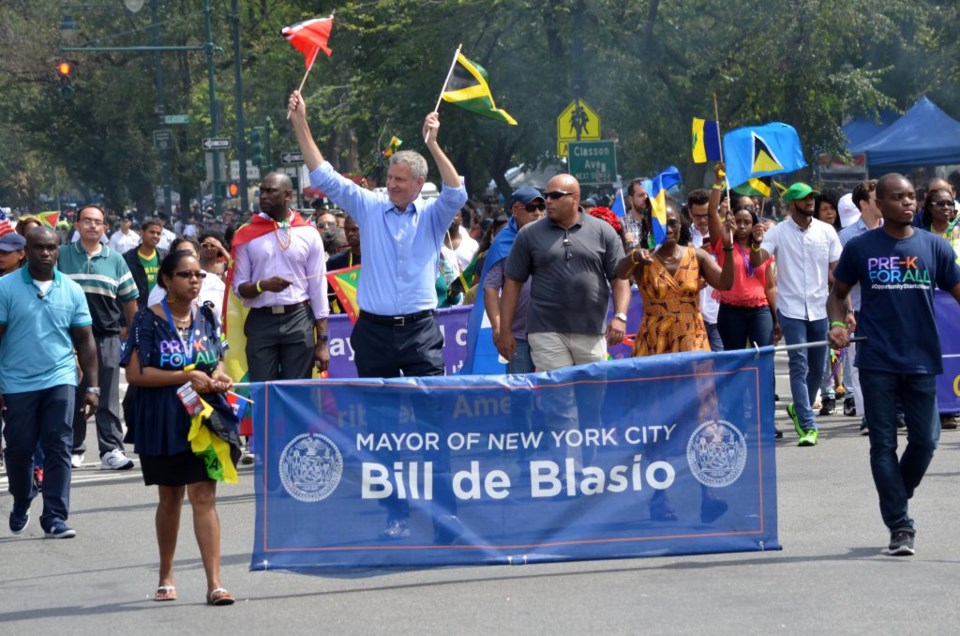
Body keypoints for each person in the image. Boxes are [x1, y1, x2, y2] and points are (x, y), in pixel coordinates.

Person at [290, 90, 466, 542]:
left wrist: (434, 143)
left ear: (417, 183)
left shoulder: (432, 214)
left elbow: (457, 189)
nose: (391, 184)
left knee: (434, 422)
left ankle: (445, 514)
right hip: (374, 332)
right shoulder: (368, 206)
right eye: (390, 177)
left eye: (401, 179)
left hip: (422, 332)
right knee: (381, 428)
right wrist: (300, 122)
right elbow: (322, 174)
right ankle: (397, 512)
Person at [827, 173, 960, 557]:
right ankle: (900, 525)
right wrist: (838, 323)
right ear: (879, 206)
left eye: (910, 197)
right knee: (883, 445)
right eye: (897, 198)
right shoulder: (861, 248)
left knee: (927, 439)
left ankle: (896, 492)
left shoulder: (934, 246)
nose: (907, 203)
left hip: (921, 357)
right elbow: (838, 295)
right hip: (877, 359)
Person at [122, 250, 238, 603]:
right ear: (166, 280)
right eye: (186, 275)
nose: (195, 281)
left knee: (204, 495)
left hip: (203, 417)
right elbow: (136, 373)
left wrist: (218, 376)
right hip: (163, 416)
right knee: (170, 495)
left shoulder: (206, 317)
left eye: (199, 275)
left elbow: (215, 359)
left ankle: (215, 583)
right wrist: (186, 375)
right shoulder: (147, 320)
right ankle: (166, 574)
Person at [0, 227, 98, 538]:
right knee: (19, 449)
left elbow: (85, 340)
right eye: (39, 247)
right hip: (15, 383)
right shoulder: (5, 288)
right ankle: (23, 496)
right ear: (25, 251)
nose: (46, 253)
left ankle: (55, 516)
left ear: (58, 250)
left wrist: (93, 387)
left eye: (51, 247)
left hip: (60, 378)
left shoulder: (71, 289)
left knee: (59, 445)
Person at [498, 174, 629, 368]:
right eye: (546, 195)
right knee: (557, 395)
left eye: (555, 196)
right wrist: (505, 329)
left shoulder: (603, 231)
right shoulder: (528, 234)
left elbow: (619, 278)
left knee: (592, 395)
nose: (548, 201)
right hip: (545, 331)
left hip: (591, 330)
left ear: (575, 197)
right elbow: (512, 282)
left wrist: (620, 317)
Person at [750, 183, 842, 446]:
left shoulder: (826, 231)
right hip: (790, 310)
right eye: (803, 198)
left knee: (818, 368)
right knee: (798, 365)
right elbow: (757, 261)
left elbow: (839, 270)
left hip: (820, 307)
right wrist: (756, 243)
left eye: (811, 197)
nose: (810, 201)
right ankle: (807, 423)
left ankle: (798, 409)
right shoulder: (778, 232)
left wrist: (845, 302)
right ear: (791, 203)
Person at [58, 204, 139, 469]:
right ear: (77, 225)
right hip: (69, 337)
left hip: (107, 335)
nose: (93, 225)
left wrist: (133, 332)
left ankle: (111, 449)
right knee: (74, 391)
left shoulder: (115, 259)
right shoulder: (62, 255)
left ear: (105, 228)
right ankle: (73, 448)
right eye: (87, 221)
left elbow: (129, 300)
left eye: (98, 222)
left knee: (108, 395)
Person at [231, 173, 330, 382]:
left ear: (288, 195)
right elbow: (239, 287)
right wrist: (262, 286)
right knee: (263, 390)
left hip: (298, 318)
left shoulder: (308, 233)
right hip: (261, 320)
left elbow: (318, 288)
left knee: (296, 391)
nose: (263, 196)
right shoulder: (246, 234)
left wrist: (322, 341)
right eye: (262, 191)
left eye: (270, 191)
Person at [616, 201, 735, 355]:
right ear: (650, 227)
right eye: (661, 225)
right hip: (654, 342)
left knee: (695, 380)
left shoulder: (696, 256)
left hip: (692, 340)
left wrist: (728, 246)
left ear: (681, 224)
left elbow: (725, 283)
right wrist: (634, 256)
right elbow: (619, 273)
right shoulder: (643, 258)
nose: (669, 230)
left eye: (673, 223)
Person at [705, 168, 779, 350]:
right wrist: (717, 182)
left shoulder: (763, 248)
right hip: (731, 311)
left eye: (747, 222)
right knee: (734, 360)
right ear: (731, 222)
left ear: (755, 225)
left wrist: (777, 318)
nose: (743, 226)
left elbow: (770, 286)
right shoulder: (724, 242)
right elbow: (712, 214)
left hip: (760, 311)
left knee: (763, 357)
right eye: (738, 221)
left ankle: (765, 381)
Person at [482, 187, 545, 374]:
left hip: (551, 331)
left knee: (554, 392)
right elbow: (490, 288)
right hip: (518, 334)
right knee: (521, 394)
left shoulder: (552, 235)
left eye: (542, 207)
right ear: (516, 209)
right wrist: (498, 327)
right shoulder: (502, 244)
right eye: (532, 208)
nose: (538, 213)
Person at [839, 179, 881, 430]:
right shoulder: (847, 237)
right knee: (860, 364)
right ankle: (868, 415)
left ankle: (893, 411)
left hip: (890, 308)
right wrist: (845, 312)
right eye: (878, 198)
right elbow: (838, 281)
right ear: (863, 204)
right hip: (859, 308)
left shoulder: (894, 230)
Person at [124, 218, 166, 310]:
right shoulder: (127, 258)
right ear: (142, 232)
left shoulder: (165, 257)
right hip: (138, 310)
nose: (155, 236)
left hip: (162, 310)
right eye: (152, 232)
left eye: (158, 233)